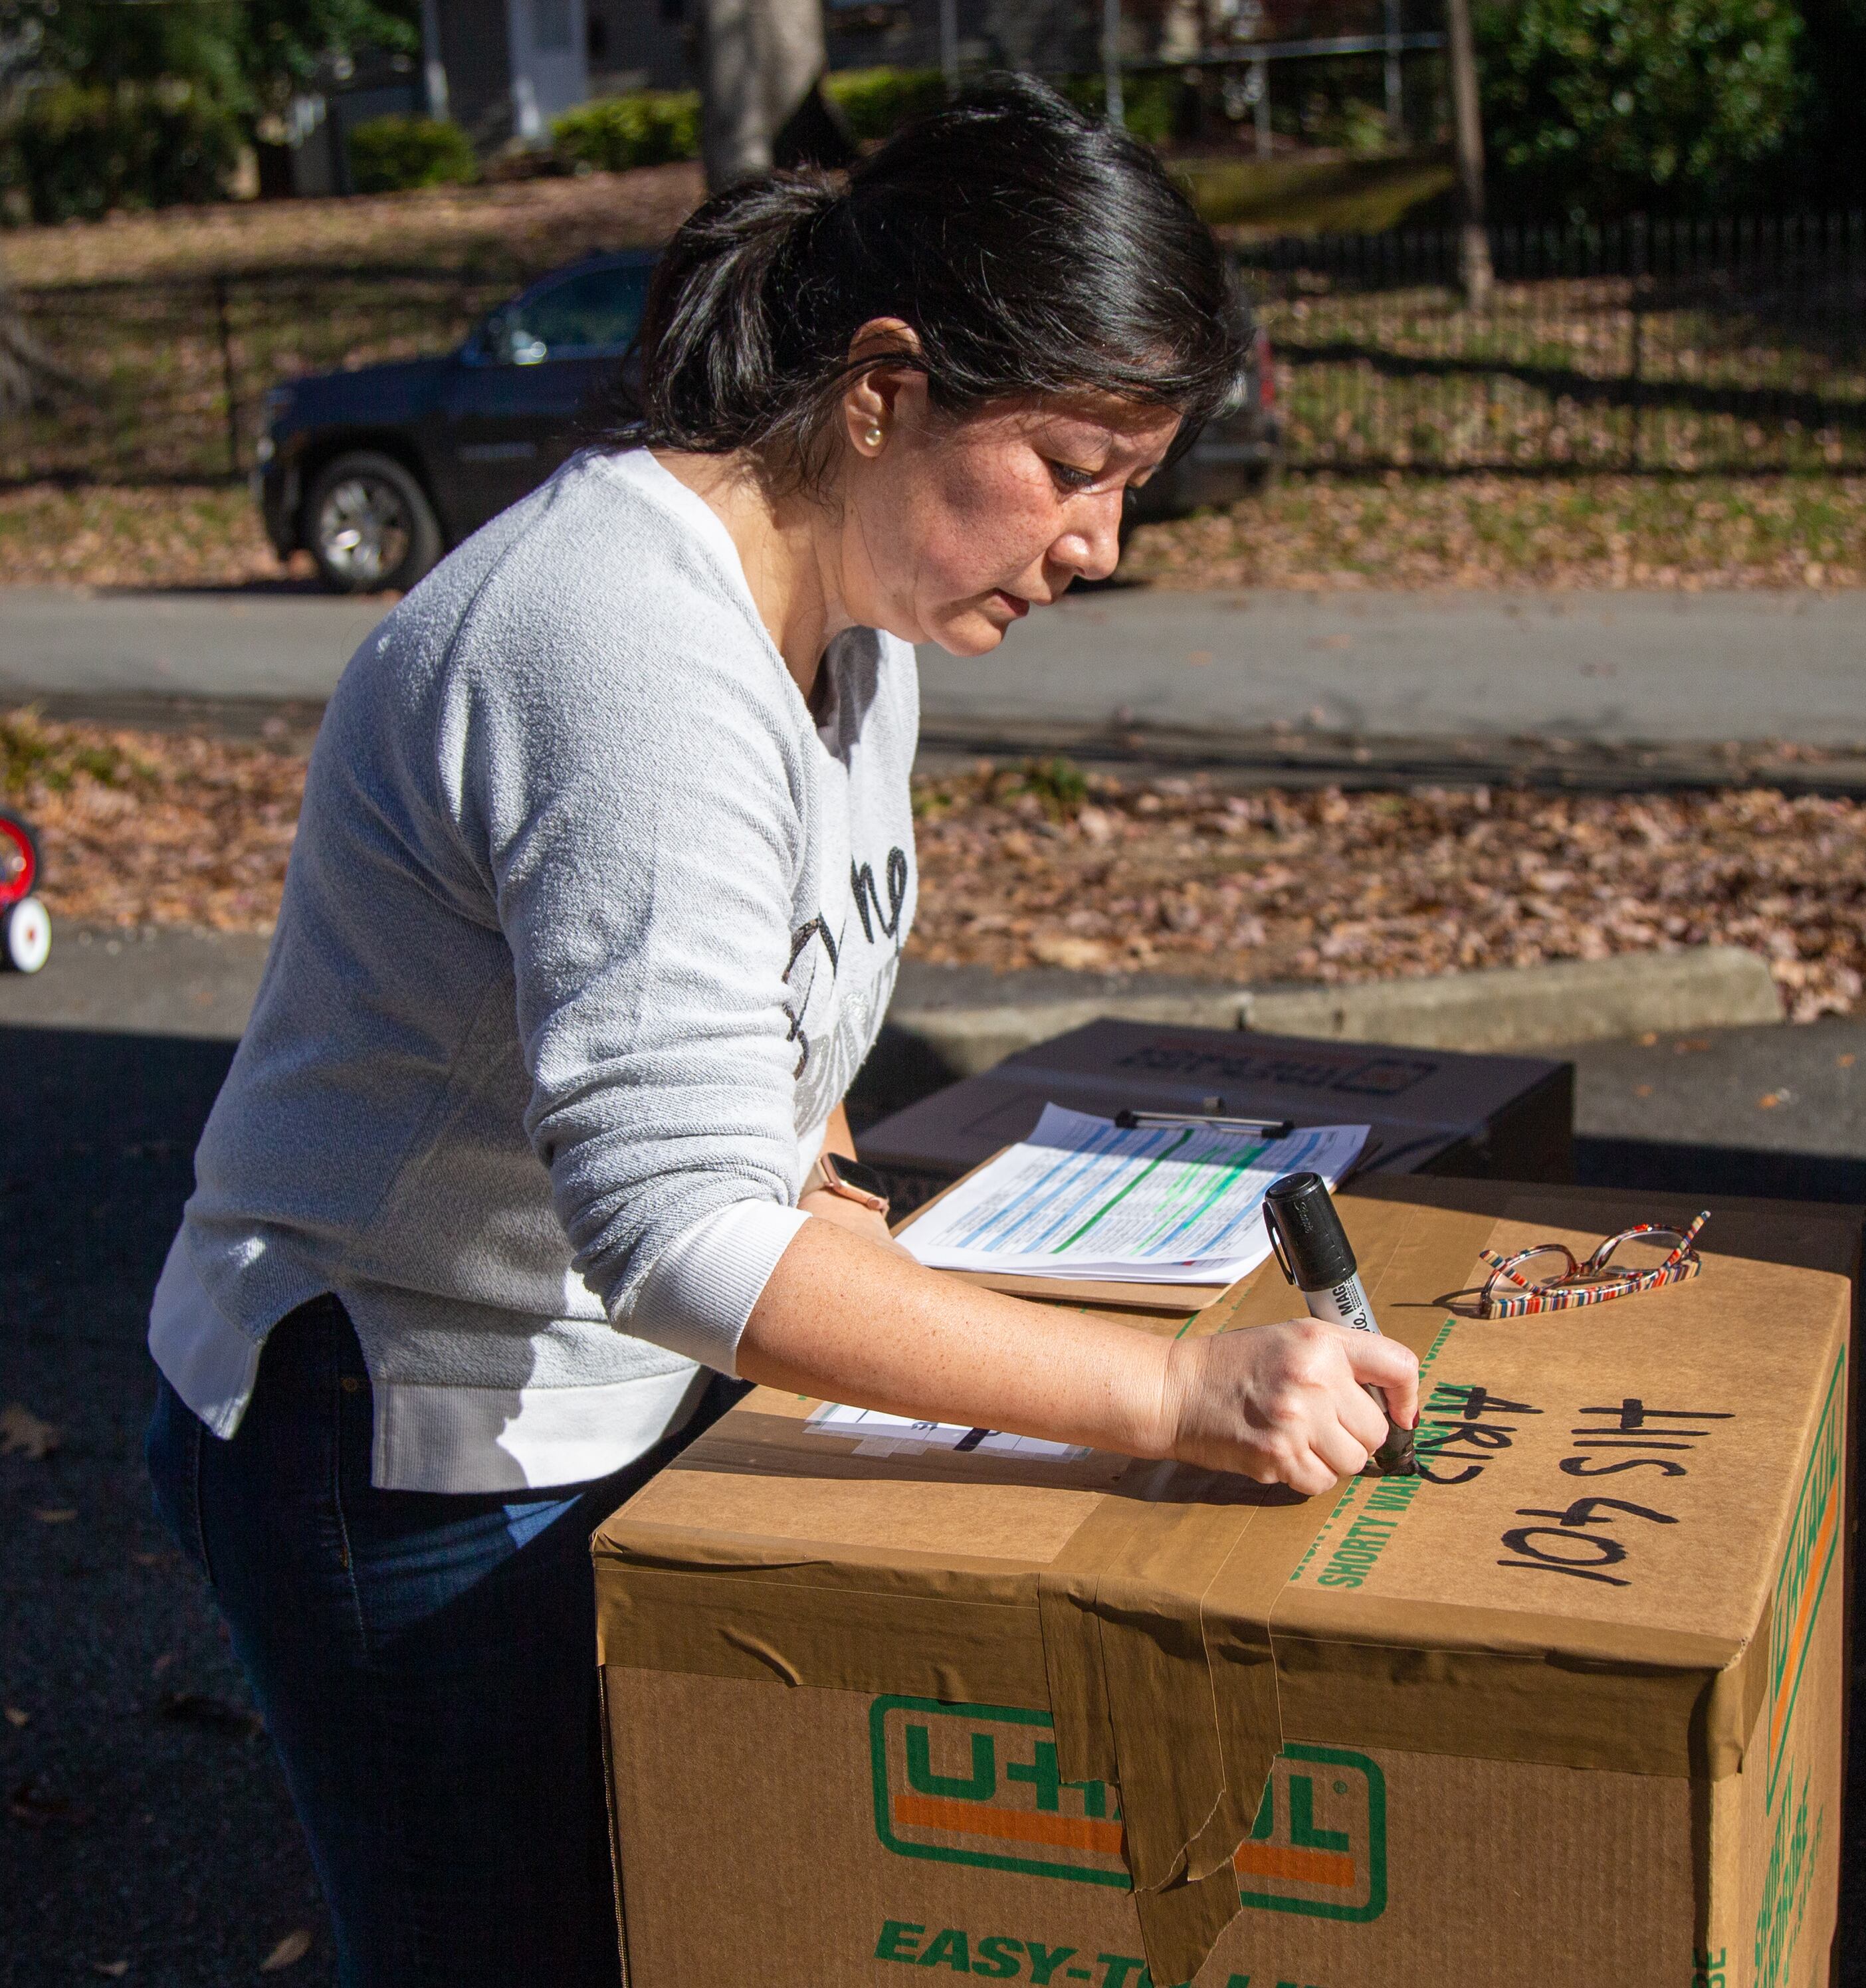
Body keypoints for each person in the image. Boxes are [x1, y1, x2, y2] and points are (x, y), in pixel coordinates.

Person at [142, 80, 1419, 1988]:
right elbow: (672, 1232)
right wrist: (1165, 1397)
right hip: (406, 1426)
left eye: (1132, 480)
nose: (1098, 542)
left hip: (612, 1388)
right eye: (1076, 463)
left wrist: (832, 1184)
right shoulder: (621, 648)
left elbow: (761, 1045)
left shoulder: (863, 627)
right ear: (885, 386)